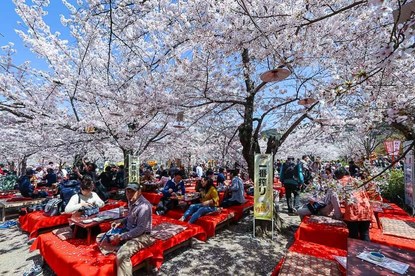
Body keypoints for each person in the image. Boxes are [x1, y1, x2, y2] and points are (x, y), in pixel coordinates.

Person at [107, 183, 153, 276]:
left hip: (142, 236)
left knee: (122, 255)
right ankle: (120, 244)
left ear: (139, 192)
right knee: (103, 237)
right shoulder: (131, 201)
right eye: (128, 191)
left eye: (132, 192)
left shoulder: (144, 206)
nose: (129, 194)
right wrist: (121, 221)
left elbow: (140, 229)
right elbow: (130, 216)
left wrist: (122, 237)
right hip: (129, 231)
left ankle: (121, 247)